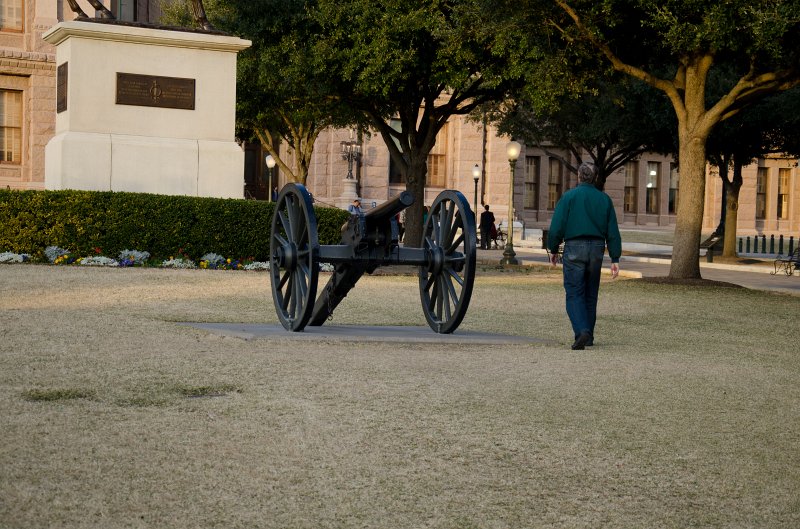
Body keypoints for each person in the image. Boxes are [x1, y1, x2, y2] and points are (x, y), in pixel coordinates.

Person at [547, 162, 621, 350]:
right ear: (594, 177)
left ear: (579, 176)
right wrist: (615, 258)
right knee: (590, 293)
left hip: (574, 247)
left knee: (574, 292)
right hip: (596, 248)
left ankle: (582, 331)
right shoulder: (604, 199)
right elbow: (612, 230)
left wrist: (553, 249)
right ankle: (588, 335)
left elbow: (557, 226)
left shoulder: (569, 197)